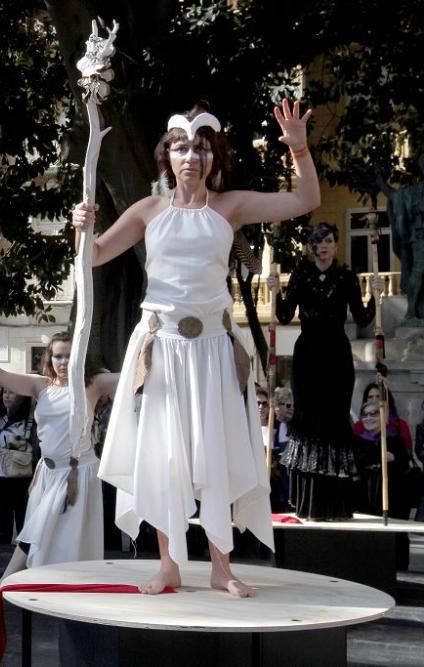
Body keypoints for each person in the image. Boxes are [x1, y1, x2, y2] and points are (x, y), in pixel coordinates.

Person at [73, 100, 318, 597]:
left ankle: (221, 566)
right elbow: (95, 255)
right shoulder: (148, 210)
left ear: (213, 155)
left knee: (216, 454)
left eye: (201, 148)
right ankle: (168, 564)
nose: (191, 156)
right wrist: (81, 226)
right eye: (181, 147)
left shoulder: (230, 206)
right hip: (160, 349)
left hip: (213, 349)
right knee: (166, 457)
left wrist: (299, 148)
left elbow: (306, 199)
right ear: (168, 155)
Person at [0, 335, 116, 613]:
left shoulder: (92, 384)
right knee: (41, 534)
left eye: (69, 356)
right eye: (58, 356)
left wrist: (157, 344)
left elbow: (135, 377)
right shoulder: (40, 385)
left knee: (35, 532)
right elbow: (2, 375)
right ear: (49, 359)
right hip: (47, 473)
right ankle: (38, 587)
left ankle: (0, 588)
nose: (64, 362)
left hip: (76, 474)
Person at [268, 223, 383, 521]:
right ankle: (307, 502)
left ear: (335, 244)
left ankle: (337, 504)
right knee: (309, 423)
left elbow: (362, 317)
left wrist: (375, 295)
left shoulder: (346, 277)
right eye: (318, 241)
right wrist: (276, 291)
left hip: (336, 356)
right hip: (308, 356)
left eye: (329, 240)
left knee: (335, 422)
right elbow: (282, 315)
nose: (323, 246)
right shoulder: (301, 275)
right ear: (310, 245)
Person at [0, 389, 36, 545]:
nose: (7, 396)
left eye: (12, 392)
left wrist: (7, 444)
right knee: (1, 528)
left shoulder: (30, 420)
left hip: (23, 478)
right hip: (1, 478)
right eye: (5, 392)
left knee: (24, 525)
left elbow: (32, 448)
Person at [354, 401, 411, 519]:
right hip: (365, 500)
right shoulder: (357, 442)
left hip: (392, 500)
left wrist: (393, 458)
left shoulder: (395, 440)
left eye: (374, 414)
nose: (368, 418)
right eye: (365, 415)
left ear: (383, 416)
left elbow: (405, 466)